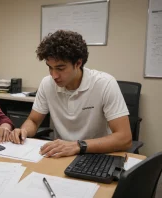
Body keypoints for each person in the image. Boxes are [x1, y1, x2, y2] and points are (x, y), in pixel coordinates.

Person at [10, 30, 132, 158]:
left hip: (95, 154)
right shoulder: (47, 84)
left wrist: (77, 146)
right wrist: (24, 130)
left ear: (78, 63)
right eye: (50, 67)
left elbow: (124, 138)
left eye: (60, 68)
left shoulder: (104, 84)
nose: (54, 75)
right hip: (60, 154)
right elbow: (33, 121)